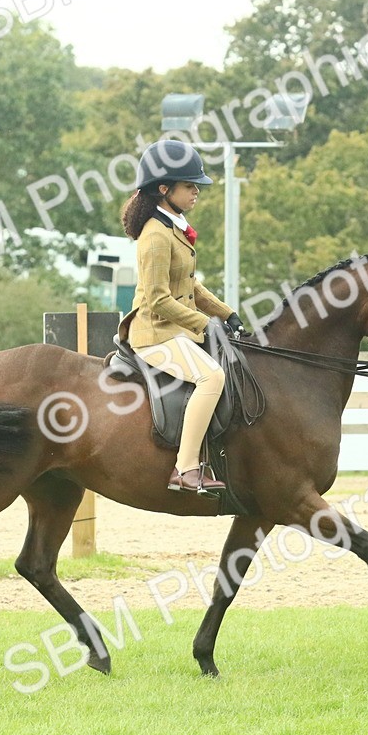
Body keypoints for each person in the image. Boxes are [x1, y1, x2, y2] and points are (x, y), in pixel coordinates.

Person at [118, 140, 248, 495]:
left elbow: (191, 286)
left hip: (176, 330)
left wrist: (228, 313)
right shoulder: (156, 236)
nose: (196, 193)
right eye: (190, 186)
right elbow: (159, 299)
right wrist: (204, 323)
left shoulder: (174, 226)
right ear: (164, 190)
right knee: (211, 377)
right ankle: (186, 467)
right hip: (154, 334)